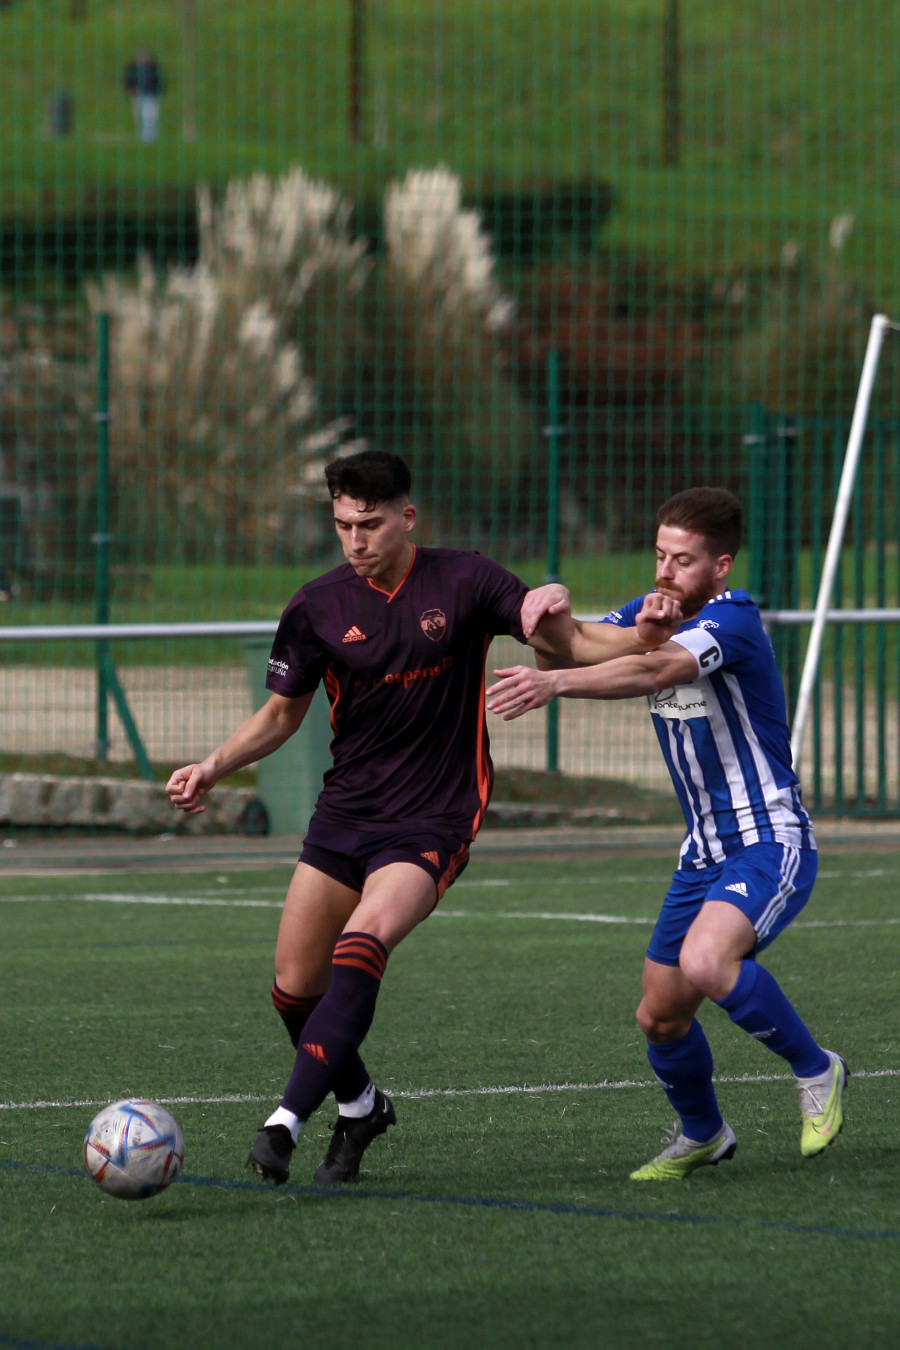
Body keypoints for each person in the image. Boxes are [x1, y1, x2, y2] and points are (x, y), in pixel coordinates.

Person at [166, 449, 682, 1186]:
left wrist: (649, 633)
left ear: (408, 517)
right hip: (345, 815)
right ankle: (361, 1104)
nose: (356, 540)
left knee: (364, 940)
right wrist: (214, 764)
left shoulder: (466, 579)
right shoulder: (316, 606)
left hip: (433, 819)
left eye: (370, 524)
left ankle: (284, 1121)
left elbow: (566, 640)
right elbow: (283, 712)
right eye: (343, 524)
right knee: (292, 989)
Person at [486, 486, 846, 1180]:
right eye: (659, 555)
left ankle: (818, 1070)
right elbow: (582, 641)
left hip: (767, 838)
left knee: (709, 965)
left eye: (682, 561)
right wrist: (540, 602)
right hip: (702, 851)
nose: (665, 572)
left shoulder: (732, 620)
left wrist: (555, 684)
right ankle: (705, 1134)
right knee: (660, 1015)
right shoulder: (650, 614)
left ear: (720, 568)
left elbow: (652, 668)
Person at [123, 48, 164, 142]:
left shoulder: (154, 68)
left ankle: (149, 138)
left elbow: (159, 81)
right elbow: (128, 80)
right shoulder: (132, 68)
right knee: (138, 116)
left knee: (149, 116)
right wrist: (130, 91)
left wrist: (157, 94)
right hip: (137, 96)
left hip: (150, 95)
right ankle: (141, 136)